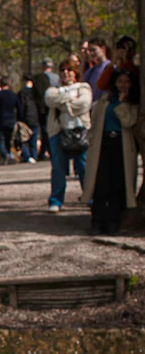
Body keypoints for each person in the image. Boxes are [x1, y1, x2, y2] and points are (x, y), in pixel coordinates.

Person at [81, 69, 138, 234]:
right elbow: (95, 121)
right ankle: (97, 220)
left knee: (117, 184)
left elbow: (128, 122)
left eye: (126, 82)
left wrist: (122, 104)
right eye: (120, 82)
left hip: (121, 145)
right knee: (101, 184)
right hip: (103, 144)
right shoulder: (104, 100)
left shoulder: (132, 103)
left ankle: (113, 221)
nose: (123, 85)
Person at [44, 59, 93, 212]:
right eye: (62, 70)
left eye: (69, 70)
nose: (65, 73)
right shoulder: (53, 89)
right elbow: (50, 100)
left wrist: (63, 104)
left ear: (75, 72)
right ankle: (56, 200)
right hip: (58, 132)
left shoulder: (83, 88)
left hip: (80, 131)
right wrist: (71, 100)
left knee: (84, 166)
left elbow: (84, 104)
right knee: (58, 168)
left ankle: (90, 197)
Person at [0, 77, 20, 165]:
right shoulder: (13, 95)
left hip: (0, 120)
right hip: (11, 120)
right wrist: (19, 118)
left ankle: (5, 155)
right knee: (8, 140)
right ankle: (8, 154)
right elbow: (19, 108)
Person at [33, 58, 60, 159]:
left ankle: (47, 150)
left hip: (43, 108)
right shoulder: (57, 78)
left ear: (43, 66)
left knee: (45, 129)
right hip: (55, 106)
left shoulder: (39, 78)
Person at [18, 76, 40, 164]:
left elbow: (20, 107)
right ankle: (33, 156)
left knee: (23, 139)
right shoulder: (36, 92)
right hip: (35, 117)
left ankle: (27, 155)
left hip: (25, 118)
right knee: (34, 138)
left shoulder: (22, 93)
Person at [83, 38, 112, 102]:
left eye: (94, 50)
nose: (91, 53)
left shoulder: (110, 67)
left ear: (103, 48)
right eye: (90, 51)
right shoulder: (90, 71)